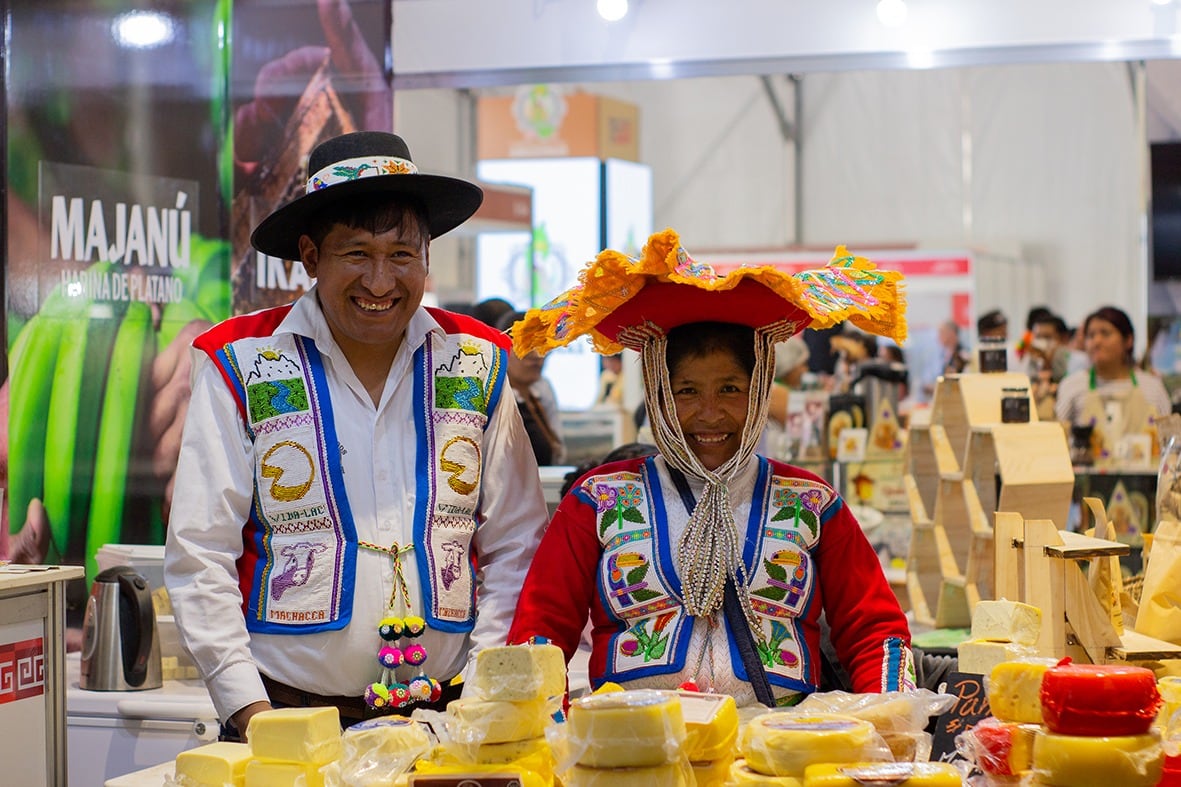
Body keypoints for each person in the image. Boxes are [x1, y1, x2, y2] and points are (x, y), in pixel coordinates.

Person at [163, 132, 549, 736]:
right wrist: (247, 708)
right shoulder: (241, 361)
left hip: (452, 716)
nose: (379, 281)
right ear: (312, 256)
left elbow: (517, 543)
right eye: (356, 254)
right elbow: (200, 550)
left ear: (428, 258)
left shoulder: (478, 362)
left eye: (402, 254)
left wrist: (484, 689)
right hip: (287, 715)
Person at [506, 230, 915, 706]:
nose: (709, 413)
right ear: (657, 394)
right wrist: (549, 730)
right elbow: (539, 635)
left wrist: (891, 721)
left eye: (729, 389)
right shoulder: (598, 499)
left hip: (779, 757)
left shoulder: (811, 501)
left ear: (760, 390)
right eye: (686, 391)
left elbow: (875, 631)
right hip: (636, 756)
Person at [1055, 305, 1171, 460]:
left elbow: (1171, 445)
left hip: (1144, 482)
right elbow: (1056, 439)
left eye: (1105, 333)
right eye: (1090, 335)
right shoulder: (1072, 386)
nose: (1096, 341)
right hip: (1088, 483)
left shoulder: (1152, 387)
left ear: (1128, 340)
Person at [498, 309, 566, 465]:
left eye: (543, 348)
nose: (537, 358)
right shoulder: (497, 401)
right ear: (504, 349)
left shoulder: (537, 394)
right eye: (528, 350)